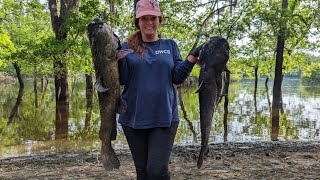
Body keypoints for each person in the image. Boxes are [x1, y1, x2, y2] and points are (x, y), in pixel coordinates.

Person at [117, 0, 202, 179]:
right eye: (144, 18)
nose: (149, 22)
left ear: (159, 20)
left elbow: (177, 77)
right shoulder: (127, 48)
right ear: (137, 22)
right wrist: (114, 53)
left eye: (153, 18)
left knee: (157, 171)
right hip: (133, 117)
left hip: (164, 117)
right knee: (143, 173)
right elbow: (122, 79)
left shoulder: (170, 45)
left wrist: (191, 58)